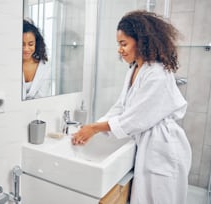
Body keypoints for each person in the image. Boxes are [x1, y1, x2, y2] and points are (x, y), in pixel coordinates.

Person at [72, 10, 192, 204]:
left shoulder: (157, 73)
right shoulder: (135, 69)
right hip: (148, 146)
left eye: (123, 43)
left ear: (141, 41)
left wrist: (94, 128)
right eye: (118, 44)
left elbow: (135, 119)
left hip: (163, 148)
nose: (120, 50)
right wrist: (93, 127)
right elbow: (121, 107)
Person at [22, 20, 52, 100]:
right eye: (22, 44)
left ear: (36, 43)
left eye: (30, 44)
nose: (26, 49)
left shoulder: (44, 66)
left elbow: (43, 96)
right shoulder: (12, 65)